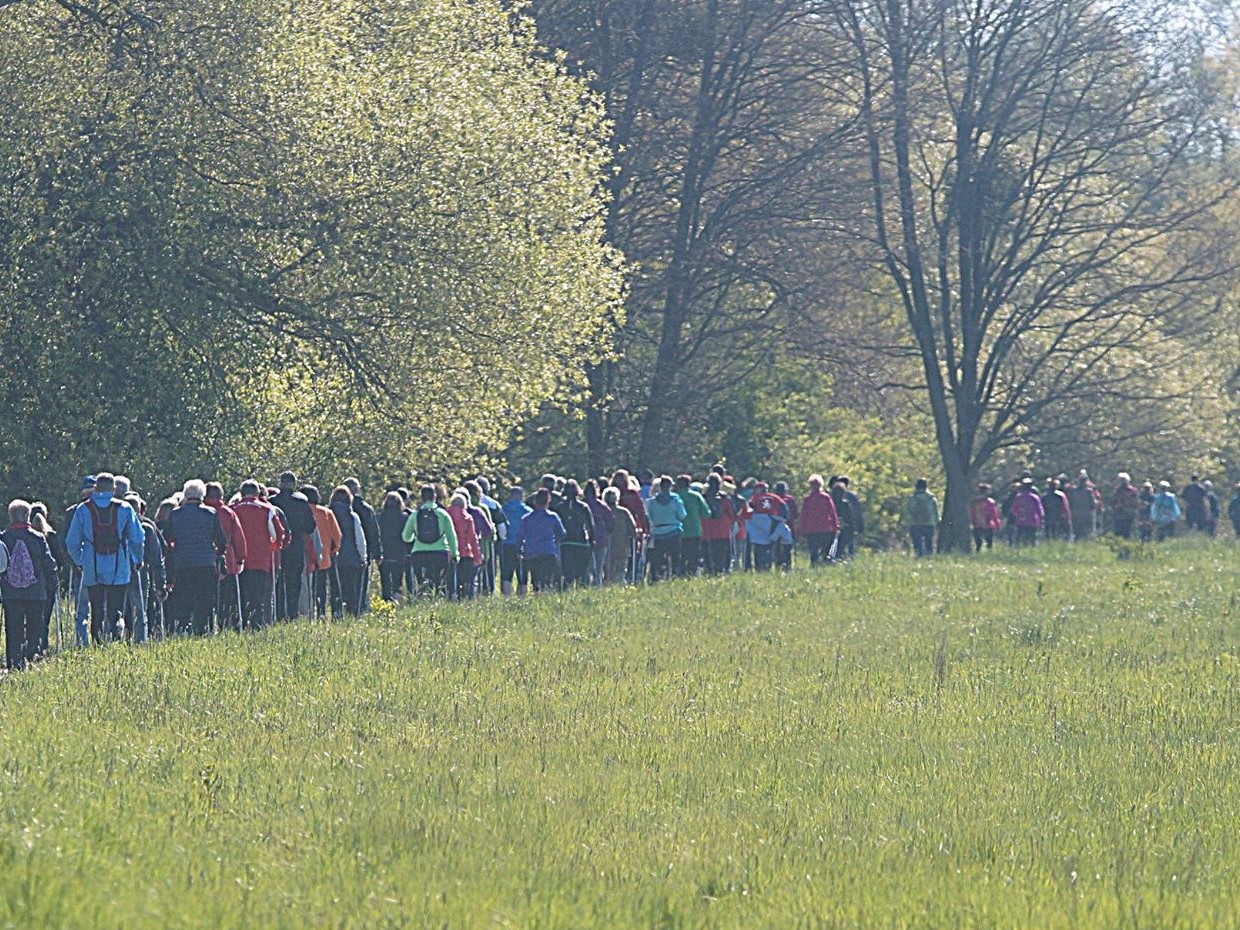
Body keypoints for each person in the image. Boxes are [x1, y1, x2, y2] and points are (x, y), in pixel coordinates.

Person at [65, 473, 145, 644]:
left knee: (97, 611)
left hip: (92, 568)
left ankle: (98, 644)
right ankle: (115, 643)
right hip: (120, 568)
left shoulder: (83, 509)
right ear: (113, 488)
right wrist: (137, 559)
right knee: (116, 610)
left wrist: (80, 561)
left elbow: (71, 542)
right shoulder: (125, 508)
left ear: (96, 487)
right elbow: (137, 538)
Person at [164, 480, 227, 636]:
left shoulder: (175, 514)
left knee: (184, 600)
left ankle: (182, 630)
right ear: (202, 495)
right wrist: (216, 554)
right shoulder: (210, 513)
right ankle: (203, 631)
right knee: (204, 601)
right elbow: (221, 539)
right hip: (205, 563)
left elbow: (168, 539)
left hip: (183, 563)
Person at [1, 499, 58, 669]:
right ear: (27, 516)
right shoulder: (38, 538)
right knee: (35, 626)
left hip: (10, 593)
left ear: (11, 516)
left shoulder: (3, 538)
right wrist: (53, 583)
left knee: (13, 627)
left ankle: (14, 662)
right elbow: (49, 564)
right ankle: (32, 657)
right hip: (35, 592)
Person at [232, 479, 287, 629]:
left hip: (238, 560)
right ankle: (256, 627)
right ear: (257, 493)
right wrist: (274, 547)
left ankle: (240, 626)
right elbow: (278, 534)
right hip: (261, 560)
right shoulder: (267, 509)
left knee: (241, 596)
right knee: (258, 598)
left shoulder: (232, 509)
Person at [270, 472, 317, 620]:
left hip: (276, 546)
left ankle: (278, 613)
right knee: (294, 582)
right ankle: (292, 613)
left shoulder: (272, 501)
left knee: (277, 581)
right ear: (294, 484)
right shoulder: (302, 503)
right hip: (296, 547)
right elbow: (310, 526)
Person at [203, 481, 247, 630]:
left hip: (205, 562)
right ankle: (226, 627)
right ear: (221, 496)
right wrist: (240, 558)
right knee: (227, 601)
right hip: (227, 562)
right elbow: (238, 538)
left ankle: (208, 628)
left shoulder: (202, 511)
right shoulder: (227, 513)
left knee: (207, 600)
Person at [124, 493, 167, 642]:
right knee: (140, 610)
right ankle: (140, 641)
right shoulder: (147, 528)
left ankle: (120, 639)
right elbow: (156, 558)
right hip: (140, 572)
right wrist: (161, 584)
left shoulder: (119, 525)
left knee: (119, 610)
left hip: (119, 572)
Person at [403, 485, 458, 596]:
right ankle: (437, 598)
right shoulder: (443, 514)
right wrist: (455, 554)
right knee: (439, 583)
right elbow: (452, 536)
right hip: (440, 553)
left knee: (422, 583)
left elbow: (406, 537)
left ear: (421, 498)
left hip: (419, 554)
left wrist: (416, 537)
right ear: (435, 497)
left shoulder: (415, 515)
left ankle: (423, 599)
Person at [513, 488, 565, 593]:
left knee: (535, 580)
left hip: (532, 553)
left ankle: (537, 596)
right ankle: (545, 597)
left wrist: (518, 551)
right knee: (547, 580)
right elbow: (562, 533)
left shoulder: (527, 518)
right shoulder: (553, 517)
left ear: (535, 502)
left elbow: (519, 537)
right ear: (548, 501)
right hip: (548, 552)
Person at [302, 486, 341, 618]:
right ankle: (321, 613)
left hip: (304, 558)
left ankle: (307, 614)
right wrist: (333, 550)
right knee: (321, 588)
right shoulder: (326, 513)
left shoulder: (300, 511)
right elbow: (338, 536)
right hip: (323, 557)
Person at [329, 486, 367, 614]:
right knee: (351, 590)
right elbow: (359, 540)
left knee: (335, 589)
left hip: (333, 558)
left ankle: (336, 613)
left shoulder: (328, 514)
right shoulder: (352, 516)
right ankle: (351, 615)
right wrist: (363, 557)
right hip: (352, 559)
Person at [344, 478, 381, 609]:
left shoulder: (338, 509)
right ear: (357, 489)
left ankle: (343, 612)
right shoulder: (365, 508)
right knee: (360, 586)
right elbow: (373, 532)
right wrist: (377, 554)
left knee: (343, 586)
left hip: (342, 552)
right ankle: (358, 611)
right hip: (363, 552)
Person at [552, 480, 595, 589]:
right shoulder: (583, 507)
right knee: (581, 571)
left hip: (566, 543)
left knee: (567, 571)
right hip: (581, 542)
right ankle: (580, 592)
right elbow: (591, 526)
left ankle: (567, 591)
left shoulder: (559, 507)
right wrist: (592, 540)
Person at [645, 476, 687, 582]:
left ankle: (658, 577)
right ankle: (674, 576)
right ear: (670, 486)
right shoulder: (675, 499)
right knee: (675, 557)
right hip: (674, 530)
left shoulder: (652, 502)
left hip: (659, 532)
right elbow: (682, 515)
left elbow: (651, 516)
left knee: (658, 558)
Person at [743, 481, 787, 572]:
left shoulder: (754, 498)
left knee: (758, 547)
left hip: (758, 527)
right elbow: (784, 508)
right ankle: (769, 566)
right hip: (771, 525)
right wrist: (782, 520)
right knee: (771, 546)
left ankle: (759, 567)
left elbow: (749, 510)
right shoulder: (775, 497)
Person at [700, 473, 737, 574]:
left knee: (707, 558)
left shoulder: (702, 498)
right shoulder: (725, 499)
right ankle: (721, 573)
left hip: (706, 532)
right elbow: (733, 516)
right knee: (721, 558)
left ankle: (709, 573)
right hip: (722, 532)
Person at [377, 491, 411, 604]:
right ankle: (397, 602)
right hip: (399, 553)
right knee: (398, 581)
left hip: (385, 553)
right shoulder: (404, 517)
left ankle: (386, 602)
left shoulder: (380, 517)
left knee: (385, 581)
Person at [447, 491, 481, 599]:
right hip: (465, 552)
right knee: (465, 582)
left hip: (449, 552)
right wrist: (477, 557)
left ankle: (450, 599)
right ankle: (463, 600)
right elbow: (473, 538)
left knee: (449, 581)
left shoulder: (445, 514)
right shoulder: (468, 517)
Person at [800, 475, 840, 566]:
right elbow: (832, 513)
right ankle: (822, 566)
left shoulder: (808, 499)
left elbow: (803, 516)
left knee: (813, 552)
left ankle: (815, 566)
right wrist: (835, 526)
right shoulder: (825, 497)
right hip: (825, 528)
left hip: (812, 529)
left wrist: (802, 530)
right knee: (824, 552)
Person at [675, 475, 710, 577]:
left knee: (680, 555)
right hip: (694, 530)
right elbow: (706, 513)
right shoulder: (696, 496)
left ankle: (680, 573)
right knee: (693, 555)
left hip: (678, 531)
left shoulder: (675, 496)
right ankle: (691, 574)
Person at [602, 486, 638, 585]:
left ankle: (610, 585)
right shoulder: (623, 512)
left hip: (608, 546)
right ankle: (619, 585)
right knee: (621, 569)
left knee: (608, 570)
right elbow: (632, 528)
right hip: (622, 545)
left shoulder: (603, 511)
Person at [499, 487, 531, 595]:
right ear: (521, 496)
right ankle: (522, 599)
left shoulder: (503, 509)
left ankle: (507, 598)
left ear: (510, 496)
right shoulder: (527, 511)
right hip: (523, 544)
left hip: (507, 543)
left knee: (506, 574)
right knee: (522, 574)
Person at [583, 480, 615, 585]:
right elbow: (611, 522)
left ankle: (587, 586)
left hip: (585, 540)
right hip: (601, 538)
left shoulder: (582, 504)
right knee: (599, 567)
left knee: (587, 567)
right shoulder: (602, 505)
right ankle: (598, 586)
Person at [903, 478, 939, 557]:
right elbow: (936, 512)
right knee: (929, 543)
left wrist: (907, 522)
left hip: (915, 523)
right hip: (929, 523)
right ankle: (929, 557)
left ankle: (919, 556)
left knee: (917, 543)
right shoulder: (932, 499)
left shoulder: (912, 499)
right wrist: (936, 523)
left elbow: (908, 512)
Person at [831, 477, 863, 559]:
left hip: (842, 528)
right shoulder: (849, 498)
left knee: (841, 547)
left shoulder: (832, 501)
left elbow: (852, 515)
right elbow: (856, 513)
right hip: (840, 528)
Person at [1010, 478, 1045, 547]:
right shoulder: (1035, 497)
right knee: (1032, 539)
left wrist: (1019, 515)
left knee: (1019, 539)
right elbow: (1040, 510)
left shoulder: (1018, 497)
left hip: (1021, 521)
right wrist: (1041, 519)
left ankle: (1018, 549)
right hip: (1033, 521)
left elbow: (1013, 510)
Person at [969, 483, 1002, 552]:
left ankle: (979, 552)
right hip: (988, 524)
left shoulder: (975, 502)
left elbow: (972, 513)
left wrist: (971, 522)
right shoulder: (990, 502)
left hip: (977, 524)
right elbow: (994, 514)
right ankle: (988, 552)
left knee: (978, 543)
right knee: (989, 543)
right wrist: (997, 525)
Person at [1066, 471, 1099, 541]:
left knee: (1077, 532)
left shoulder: (1073, 491)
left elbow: (1070, 503)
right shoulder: (1089, 492)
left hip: (1076, 514)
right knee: (1087, 532)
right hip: (1087, 515)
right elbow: (1093, 504)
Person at [1109, 473, 1139, 539]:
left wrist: (1131, 509)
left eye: (1124, 480)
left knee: (1127, 530)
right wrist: (1116, 506)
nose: (1123, 481)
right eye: (1121, 480)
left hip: (1129, 514)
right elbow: (1113, 501)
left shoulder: (1132, 491)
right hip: (1119, 514)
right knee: (1118, 530)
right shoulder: (1117, 490)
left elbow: (1135, 502)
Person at [1041, 478, 1070, 542]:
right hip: (1055, 517)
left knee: (1051, 533)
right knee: (1054, 533)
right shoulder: (1060, 495)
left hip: (1052, 517)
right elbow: (1065, 508)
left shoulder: (1045, 496)